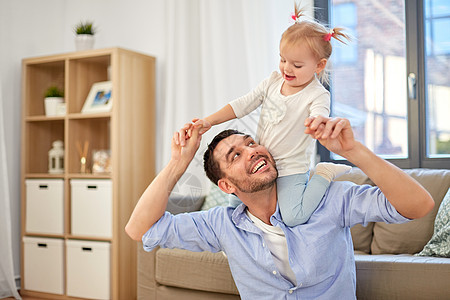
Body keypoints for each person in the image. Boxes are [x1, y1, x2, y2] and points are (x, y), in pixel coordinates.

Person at [125, 116, 434, 299]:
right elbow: (139, 229)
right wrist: (178, 163)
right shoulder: (222, 224)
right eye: (235, 155)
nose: (252, 151)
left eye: (250, 143)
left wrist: (353, 150)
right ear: (227, 186)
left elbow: (419, 205)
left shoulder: (328, 198)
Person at [185, 5, 352, 226]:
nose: (287, 69)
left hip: (290, 168)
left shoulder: (317, 95)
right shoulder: (273, 82)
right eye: (283, 59)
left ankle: (324, 173)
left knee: (294, 217)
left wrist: (317, 123)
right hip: (262, 163)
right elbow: (243, 104)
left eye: (297, 64)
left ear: (319, 66)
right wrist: (209, 121)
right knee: (236, 208)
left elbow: (320, 115)